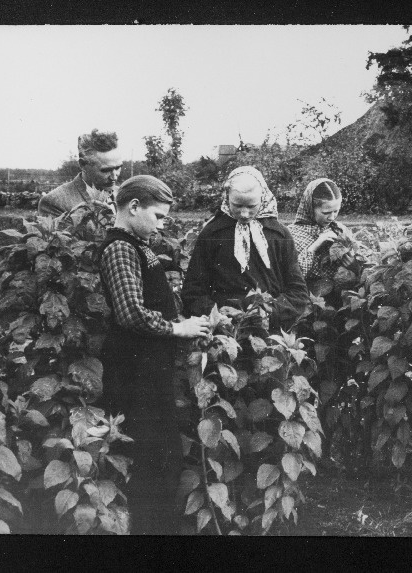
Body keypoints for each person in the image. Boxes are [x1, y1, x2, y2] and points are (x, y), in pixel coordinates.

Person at [98, 175, 211, 535]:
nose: (163, 225)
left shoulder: (138, 243)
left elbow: (151, 303)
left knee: (162, 459)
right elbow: (130, 312)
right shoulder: (120, 248)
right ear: (133, 207)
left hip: (149, 372)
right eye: (158, 216)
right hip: (134, 377)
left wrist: (182, 320)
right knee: (153, 461)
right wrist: (177, 329)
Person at [181, 166, 309, 330]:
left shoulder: (279, 235)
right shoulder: (213, 233)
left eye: (251, 206)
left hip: (269, 328)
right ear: (227, 198)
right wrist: (215, 313)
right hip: (224, 330)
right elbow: (193, 289)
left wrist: (270, 311)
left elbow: (298, 292)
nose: (244, 213)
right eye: (237, 205)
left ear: (263, 198)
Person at [38, 129, 123, 217]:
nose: (114, 177)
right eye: (105, 170)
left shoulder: (124, 194)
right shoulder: (55, 202)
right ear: (83, 165)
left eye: (118, 168)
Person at [288, 177, 354, 289]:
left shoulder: (340, 230)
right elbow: (291, 277)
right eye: (326, 212)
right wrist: (315, 245)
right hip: (306, 297)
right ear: (310, 208)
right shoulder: (291, 234)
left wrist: (353, 264)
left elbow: (359, 268)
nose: (332, 217)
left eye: (336, 211)